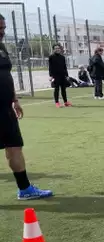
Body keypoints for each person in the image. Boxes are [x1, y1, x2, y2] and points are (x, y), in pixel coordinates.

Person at [0, 14, 53, 200]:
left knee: (15, 146)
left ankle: (25, 189)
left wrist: (14, 99)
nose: (2, 32)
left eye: (3, 28)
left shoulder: (2, 47)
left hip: (5, 109)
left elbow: (7, 75)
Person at [48, 44, 71, 108]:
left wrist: (67, 75)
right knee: (57, 89)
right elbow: (50, 67)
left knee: (63, 89)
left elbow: (64, 67)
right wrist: (51, 75)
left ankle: (65, 102)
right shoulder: (51, 57)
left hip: (62, 75)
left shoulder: (62, 57)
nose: (57, 49)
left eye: (58, 48)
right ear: (53, 50)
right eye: (56, 48)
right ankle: (57, 102)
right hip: (55, 76)